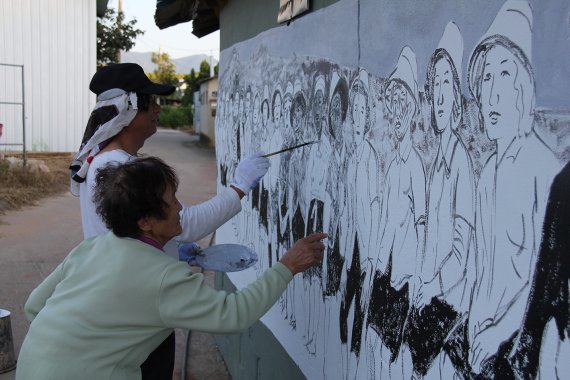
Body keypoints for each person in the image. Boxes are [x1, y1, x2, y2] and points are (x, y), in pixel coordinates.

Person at [16, 156, 327, 380]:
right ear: (145, 221)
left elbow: (33, 307)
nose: (180, 207)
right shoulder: (163, 276)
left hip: (30, 368)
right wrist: (287, 265)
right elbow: (235, 314)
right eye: (172, 200)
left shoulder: (91, 247)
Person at [69, 63, 270, 379]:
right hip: (138, 313)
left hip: (128, 301)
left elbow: (140, 231)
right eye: (152, 101)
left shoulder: (104, 160)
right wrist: (239, 187)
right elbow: (184, 222)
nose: (158, 109)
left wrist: (173, 249)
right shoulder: (118, 167)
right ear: (130, 107)